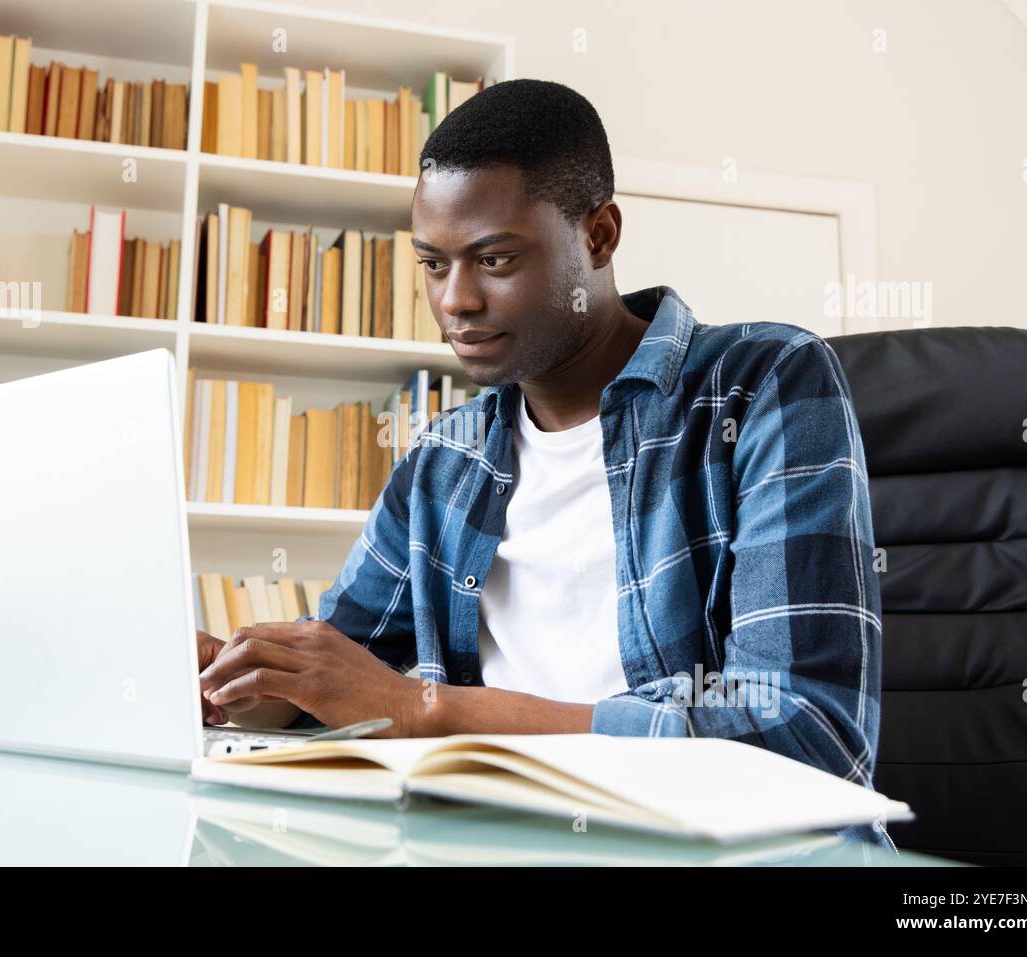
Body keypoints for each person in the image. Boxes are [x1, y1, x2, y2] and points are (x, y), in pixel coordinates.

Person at [196, 78, 894, 850]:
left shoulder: (765, 382)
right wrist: (246, 684)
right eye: (432, 264)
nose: (456, 300)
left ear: (598, 236)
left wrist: (429, 710)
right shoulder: (442, 461)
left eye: (493, 259)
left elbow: (809, 733)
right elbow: (342, 673)